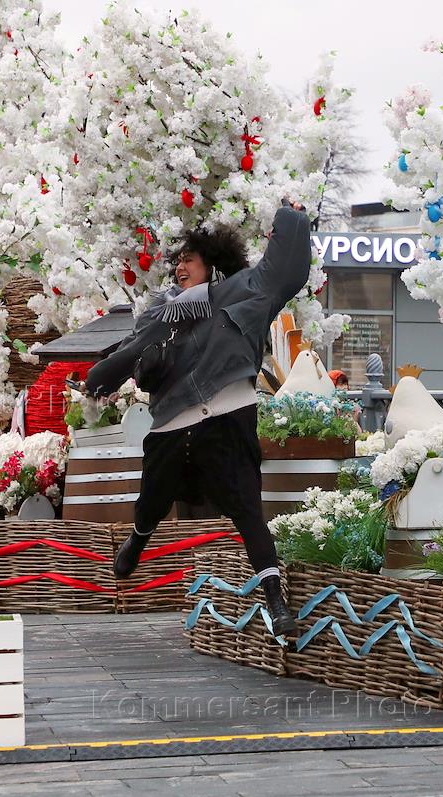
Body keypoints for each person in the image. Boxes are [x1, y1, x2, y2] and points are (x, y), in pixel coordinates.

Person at [86, 204, 312, 638]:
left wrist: (291, 217)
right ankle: (138, 537)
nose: (179, 268)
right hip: (173, 424)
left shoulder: (247, 289)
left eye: (188, 260)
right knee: (152, 500)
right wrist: (100, 378)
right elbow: (130, 352)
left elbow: (287, 266)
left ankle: (276, 602)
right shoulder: (161, 314)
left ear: (212, 263)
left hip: (229, 418)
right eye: (176, 262)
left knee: (249, 510)